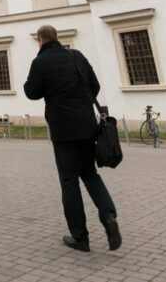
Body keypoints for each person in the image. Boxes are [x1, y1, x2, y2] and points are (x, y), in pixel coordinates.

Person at [24, 24, 121, 253]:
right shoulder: (76, 56)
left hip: (63, 130)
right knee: (90, 174)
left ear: (40, 40)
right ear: (57, 37)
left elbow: (31, 92)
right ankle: (109, 216)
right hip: (87, 127)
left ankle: (80, 237)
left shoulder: (41, 62)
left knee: (69, 181)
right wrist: (81, 102)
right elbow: (94, 85)